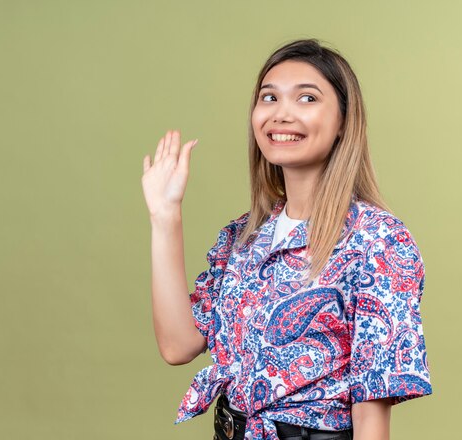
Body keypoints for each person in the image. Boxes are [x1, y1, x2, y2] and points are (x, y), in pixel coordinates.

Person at [141, 38, 432, 440]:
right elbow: (178, 345)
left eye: (307, 98)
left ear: (344, 121)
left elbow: (372, 413)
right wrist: (165, 215)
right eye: (269, 97)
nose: (282, 114)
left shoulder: (378, 241)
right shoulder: (241, 238)